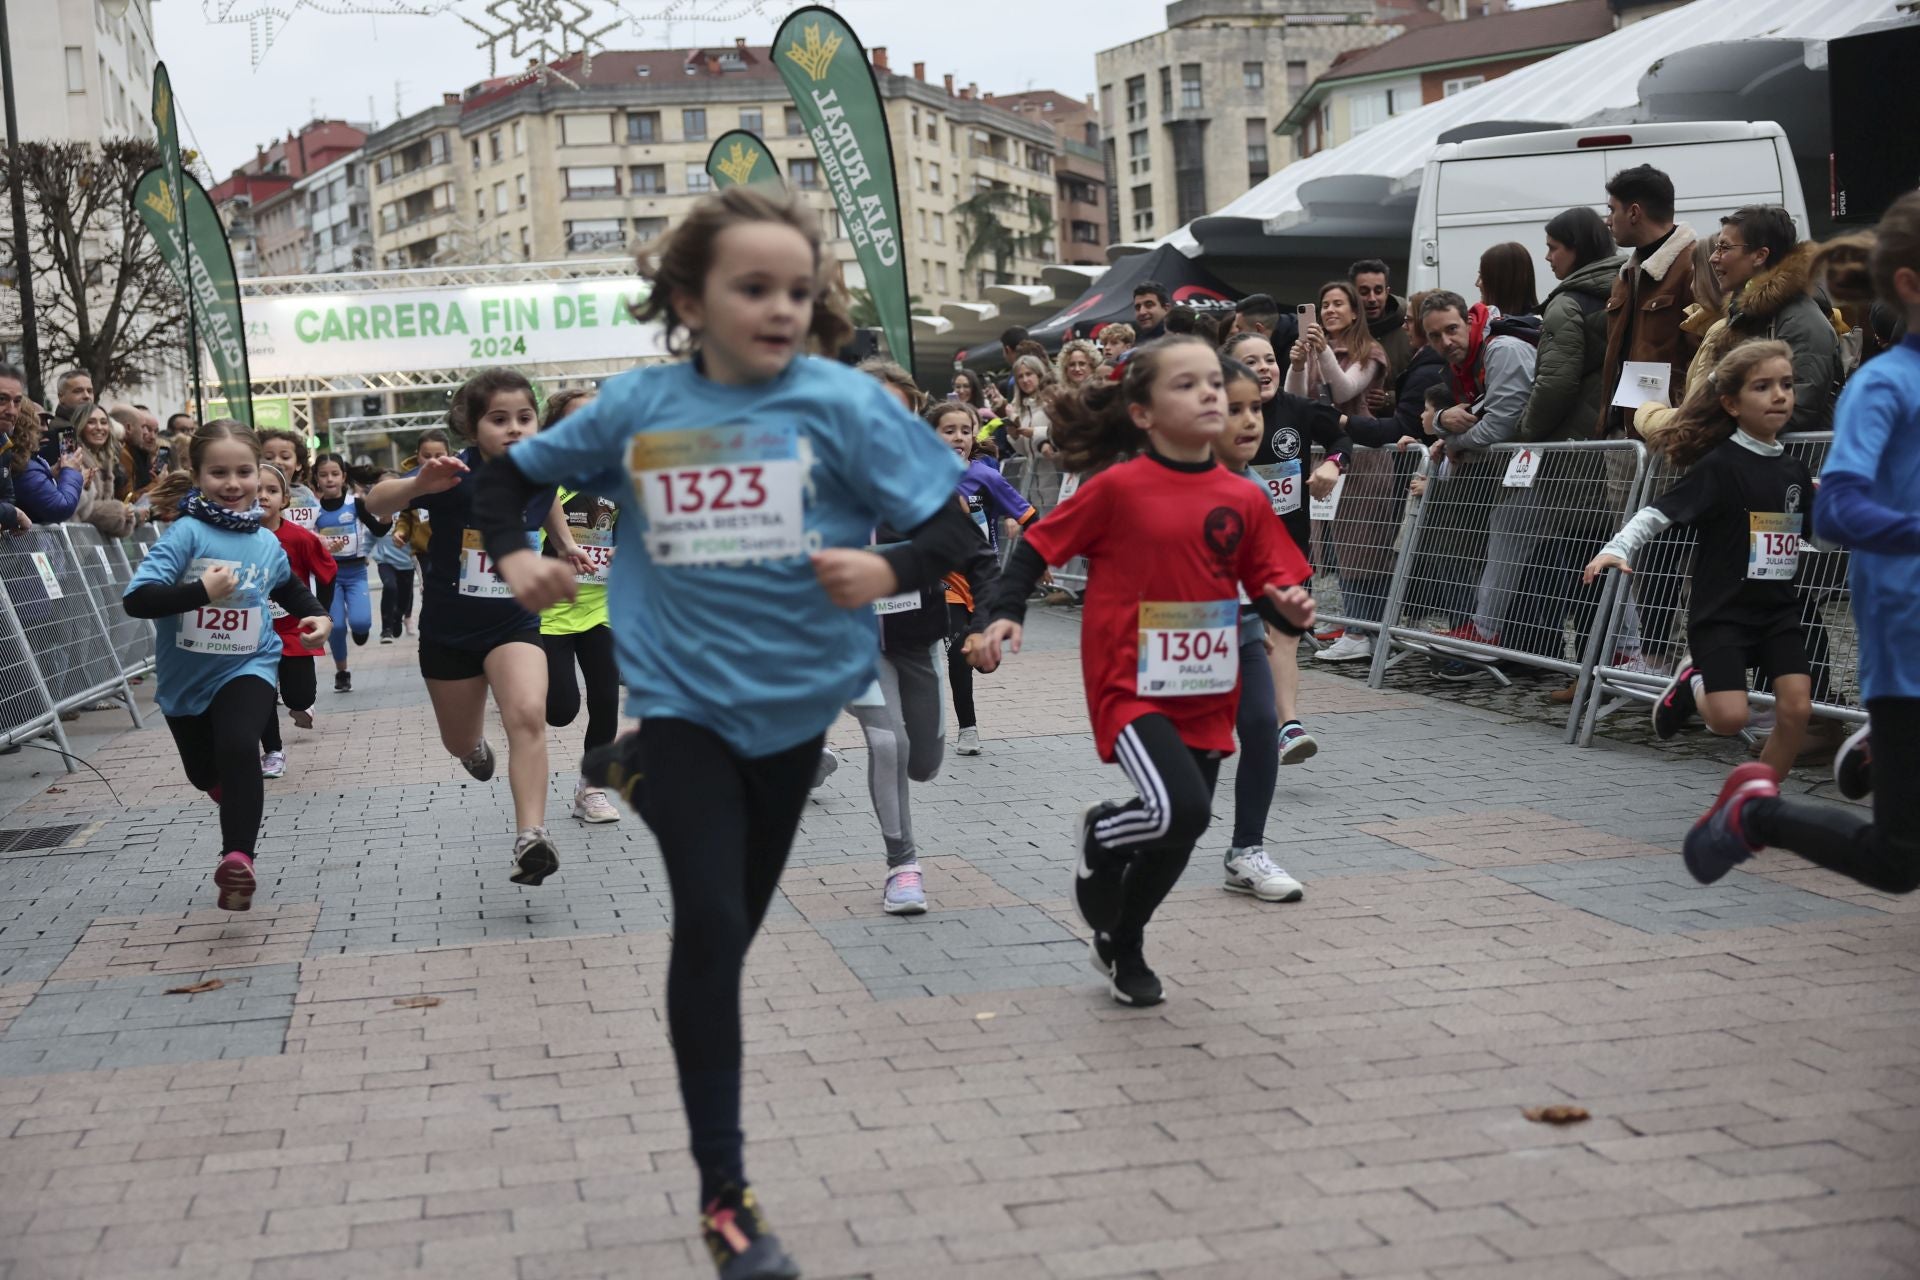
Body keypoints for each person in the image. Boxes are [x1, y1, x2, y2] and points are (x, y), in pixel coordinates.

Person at [467, 185, 980, 1279]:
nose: (783, 306)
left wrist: (890, 564)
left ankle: (631, 769)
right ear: (691, 299)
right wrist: (516, 555)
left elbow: (954, 524)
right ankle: (727, 1197)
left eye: (800, 287)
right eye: (755, 287)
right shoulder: (639, 406)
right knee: (708, 924)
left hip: (799, 710)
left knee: (729, 937)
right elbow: (504, 479)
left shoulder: (844, 405)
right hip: (686, 701)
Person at [976, 335, 1317, 1007]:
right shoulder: (1119, 488)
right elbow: (1038, 546)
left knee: (1182, 830)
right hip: (1129, 680)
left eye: (1213, 383)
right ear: (1142, 414)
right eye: (1186, 385)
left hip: (1207, 684)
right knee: (1179, 807)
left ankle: (1122, 941)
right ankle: (1103, 832)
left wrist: (1293, 606)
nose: (1210, 394)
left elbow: (1272, 581)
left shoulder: (1242, 496)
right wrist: (1003, 612)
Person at [1682, 194, 1920, 893]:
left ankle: (1873, 752)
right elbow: (1838, 509)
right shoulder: (1885, 385)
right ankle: (1757, 814)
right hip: (1908, 643)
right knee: (1899, 861)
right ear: (1910, 285)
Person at [121, 420, 331, 911]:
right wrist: (200, 592)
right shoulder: (186, 535)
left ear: (260, 477)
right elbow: (138, 600)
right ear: (196, 475)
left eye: (243, 472)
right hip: (185, 679)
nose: (233, 483)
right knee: (203, 773)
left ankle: (238, 858)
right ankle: (234, 798)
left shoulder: (263, 540)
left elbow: (286, 586)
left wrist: (316, 617)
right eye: (218, 472)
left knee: (240, 747)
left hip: (249, 664)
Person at [366, 369, 563, 889]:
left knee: (526, 716)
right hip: (450, 632)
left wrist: (562, 542)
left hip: (514, 623)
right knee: (458, 741)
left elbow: (549, 504)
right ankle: (472, 749)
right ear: (473, 428)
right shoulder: (452, 475)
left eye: (525, 418)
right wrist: (417, 485)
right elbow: (375, 504)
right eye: (499, 419)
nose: (515, 429)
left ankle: (532, 837)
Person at [1584, 340, 1813, 780]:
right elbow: (1658, 513)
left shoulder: (1795, 471)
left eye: (1787, 384)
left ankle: (1758, 799)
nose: (1780, 395)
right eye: (1763, 387)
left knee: (1797, 709)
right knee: (1728, 719)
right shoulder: (1720, 466)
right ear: (1730, 402)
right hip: (1724, 612)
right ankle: (1692, 678)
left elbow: (1816, 536)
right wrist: (1617, 547)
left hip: (1779, 611)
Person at [850, 362, 1003, 914]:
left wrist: (984, 624)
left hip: (917, 641)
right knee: (886, 743)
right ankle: (903, 866)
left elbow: (982, 561)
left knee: (922, 759)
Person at [1508, 208, 1627, 693]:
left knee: (1585, 561)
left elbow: (1554, 383)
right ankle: (1609, 665)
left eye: (1554, 246)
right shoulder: (1624, 286)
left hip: (1579, 454)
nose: (1547, 256)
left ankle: (1591, 671)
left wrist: (1526, 431)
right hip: (1615, 445)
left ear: (1575, 248)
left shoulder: (1566, 304)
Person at [1221, 330, 1345, 748]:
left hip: (1286, 548)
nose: (1264, 369)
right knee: (1242, 643)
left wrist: (1332, 464)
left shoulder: (1300, 408)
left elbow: (1341, 438)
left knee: (1284, 636)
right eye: (1251, 362)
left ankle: (1288, 725)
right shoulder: (1214, 417)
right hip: (1228, 557)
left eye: (1269, 359)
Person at [1212, 356, 1306, 901]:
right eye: (1234, 410)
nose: (1251, 422)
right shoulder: (1165, 482)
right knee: (1193, 767)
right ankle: (1128, 833)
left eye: (1256, 410)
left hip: (1243, 625)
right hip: (1177, 632)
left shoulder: (1251, 486)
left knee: (1260, 728)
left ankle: (1246, 850)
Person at [1420, 288, 1542, 664]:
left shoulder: (1500, 350)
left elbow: (1498, 426)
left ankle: (1627, 651)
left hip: (1555, 464)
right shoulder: (1473, 360)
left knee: (1589, 554)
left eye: (1452, 329)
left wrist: (1448, 435)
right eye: (1435, 336)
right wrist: (1444, 423)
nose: (1446, 341)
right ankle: (1486, 629)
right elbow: (1483, 418)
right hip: (1537, 463)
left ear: (1470, 321)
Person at [1289, 280, 1394, 654]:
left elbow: (1346, 390)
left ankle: (1363, 632)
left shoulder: (1370, 350)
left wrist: (1321, 354)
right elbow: (1295, 398)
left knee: (1364, 545)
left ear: (1354, 312)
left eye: (1338, 304)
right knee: (1329, 544)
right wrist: (1299, 363)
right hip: (1327, 456)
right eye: (1325, 304)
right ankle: (1353, 623)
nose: (1330, 310)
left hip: (1363, 460)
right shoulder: (1317, 351)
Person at [534, 389, 623, 826]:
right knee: (560, 709)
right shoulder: (545, 481)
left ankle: (591, 789)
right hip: (549, 613)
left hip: (599, 610)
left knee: (607, 699)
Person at [929, 400, 1035, 758]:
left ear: (974, 436)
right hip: (946, 583)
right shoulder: (921, 478)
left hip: (983, 579)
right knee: (960, 652)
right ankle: (968, 728)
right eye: (949, 430)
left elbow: (1028, 516)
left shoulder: (986, 477)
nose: (958, 436)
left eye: (965, 430)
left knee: (984, 661)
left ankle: (984, 649)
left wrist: (1044, 555)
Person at [1597, 165, 1700, 439]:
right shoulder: (1626, 274)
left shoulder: (1694, 268)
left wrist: (1683, 420)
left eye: (1612, 210)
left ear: (1633, 212)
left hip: (1668, 434)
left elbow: (1706, 356)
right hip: (1621, 432)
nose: (1607, 220)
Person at [255, 462, 337, 775]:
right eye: (257, 490)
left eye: (271, 491)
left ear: (285, 499)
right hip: (254, 634)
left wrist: (321, 615)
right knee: (262, 695)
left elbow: (327, 573)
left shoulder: (300, 538)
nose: (263, 496)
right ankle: (273, 751)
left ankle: (300, 706)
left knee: (299, 696)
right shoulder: (237, 538)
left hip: (293, 631)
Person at [310, 452, 391, 691]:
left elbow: (377, 530)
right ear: (316, 479)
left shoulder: (355, 504)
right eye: (323, 475)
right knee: (334, 627)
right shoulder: (313, 510)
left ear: (343, 476)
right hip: (328, 576)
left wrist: (386, 520)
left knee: (360, 623)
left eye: (335, 474)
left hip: (355, 572)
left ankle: (360, 630)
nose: (329, 479)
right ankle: (342, 671)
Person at [70, 400, 140, 537]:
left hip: (96, 543)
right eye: (91, 422)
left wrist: (127, 514)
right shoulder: (73, 458)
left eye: (103, 422)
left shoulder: (106, 460)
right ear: (80, 426)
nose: (99, 427)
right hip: (78, 541)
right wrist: (118, 511)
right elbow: (77, 507)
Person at [10, 407, 86, 525]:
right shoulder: (22, 466)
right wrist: (71, 471)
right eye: (38, 423)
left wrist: (51, 475)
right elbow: (60, 508)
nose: (45, 428)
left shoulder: (33, 461)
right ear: (22, 426)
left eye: (46, 423)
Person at [1350, 259, 1411, 403]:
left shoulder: (1410, 329)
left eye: (1378, 291)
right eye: (1364, 292)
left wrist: (1389, 399)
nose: (1372, 299)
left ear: (1387, 292)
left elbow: (1424, 385)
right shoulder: (1341, 332)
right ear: (1352, 294)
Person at [370, 470, 416, 643]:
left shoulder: (409, 509)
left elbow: (418, 532)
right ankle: (386, 629)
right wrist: (363, 555)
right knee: (390, 587)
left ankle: (398, 617)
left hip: (407, 563)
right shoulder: (377, 511)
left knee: (405, 598)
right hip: (385, 560)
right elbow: (370, 535)